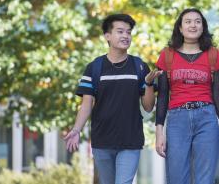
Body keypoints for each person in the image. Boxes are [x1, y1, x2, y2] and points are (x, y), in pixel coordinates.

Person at [64, 14, 161, 184]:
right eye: (120, 31)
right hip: (102, 141)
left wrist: (149, 84)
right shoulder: (94, 67)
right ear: (107, 36)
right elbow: (86, 105)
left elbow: (148, 106)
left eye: (129, 32)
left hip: (131, 140)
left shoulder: (139, 66)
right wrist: (76, 129)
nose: (126, 36)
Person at [155, 8, 219, 184]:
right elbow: (162, 96)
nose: (193, 25)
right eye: (188, 21)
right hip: (177, 120)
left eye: (198, 21)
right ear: (180, 28)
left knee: (204, 180)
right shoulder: (167, 55)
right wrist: (159, 131)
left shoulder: (214, 55)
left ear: (203, 27)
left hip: (206, 118)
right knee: (176, 178)